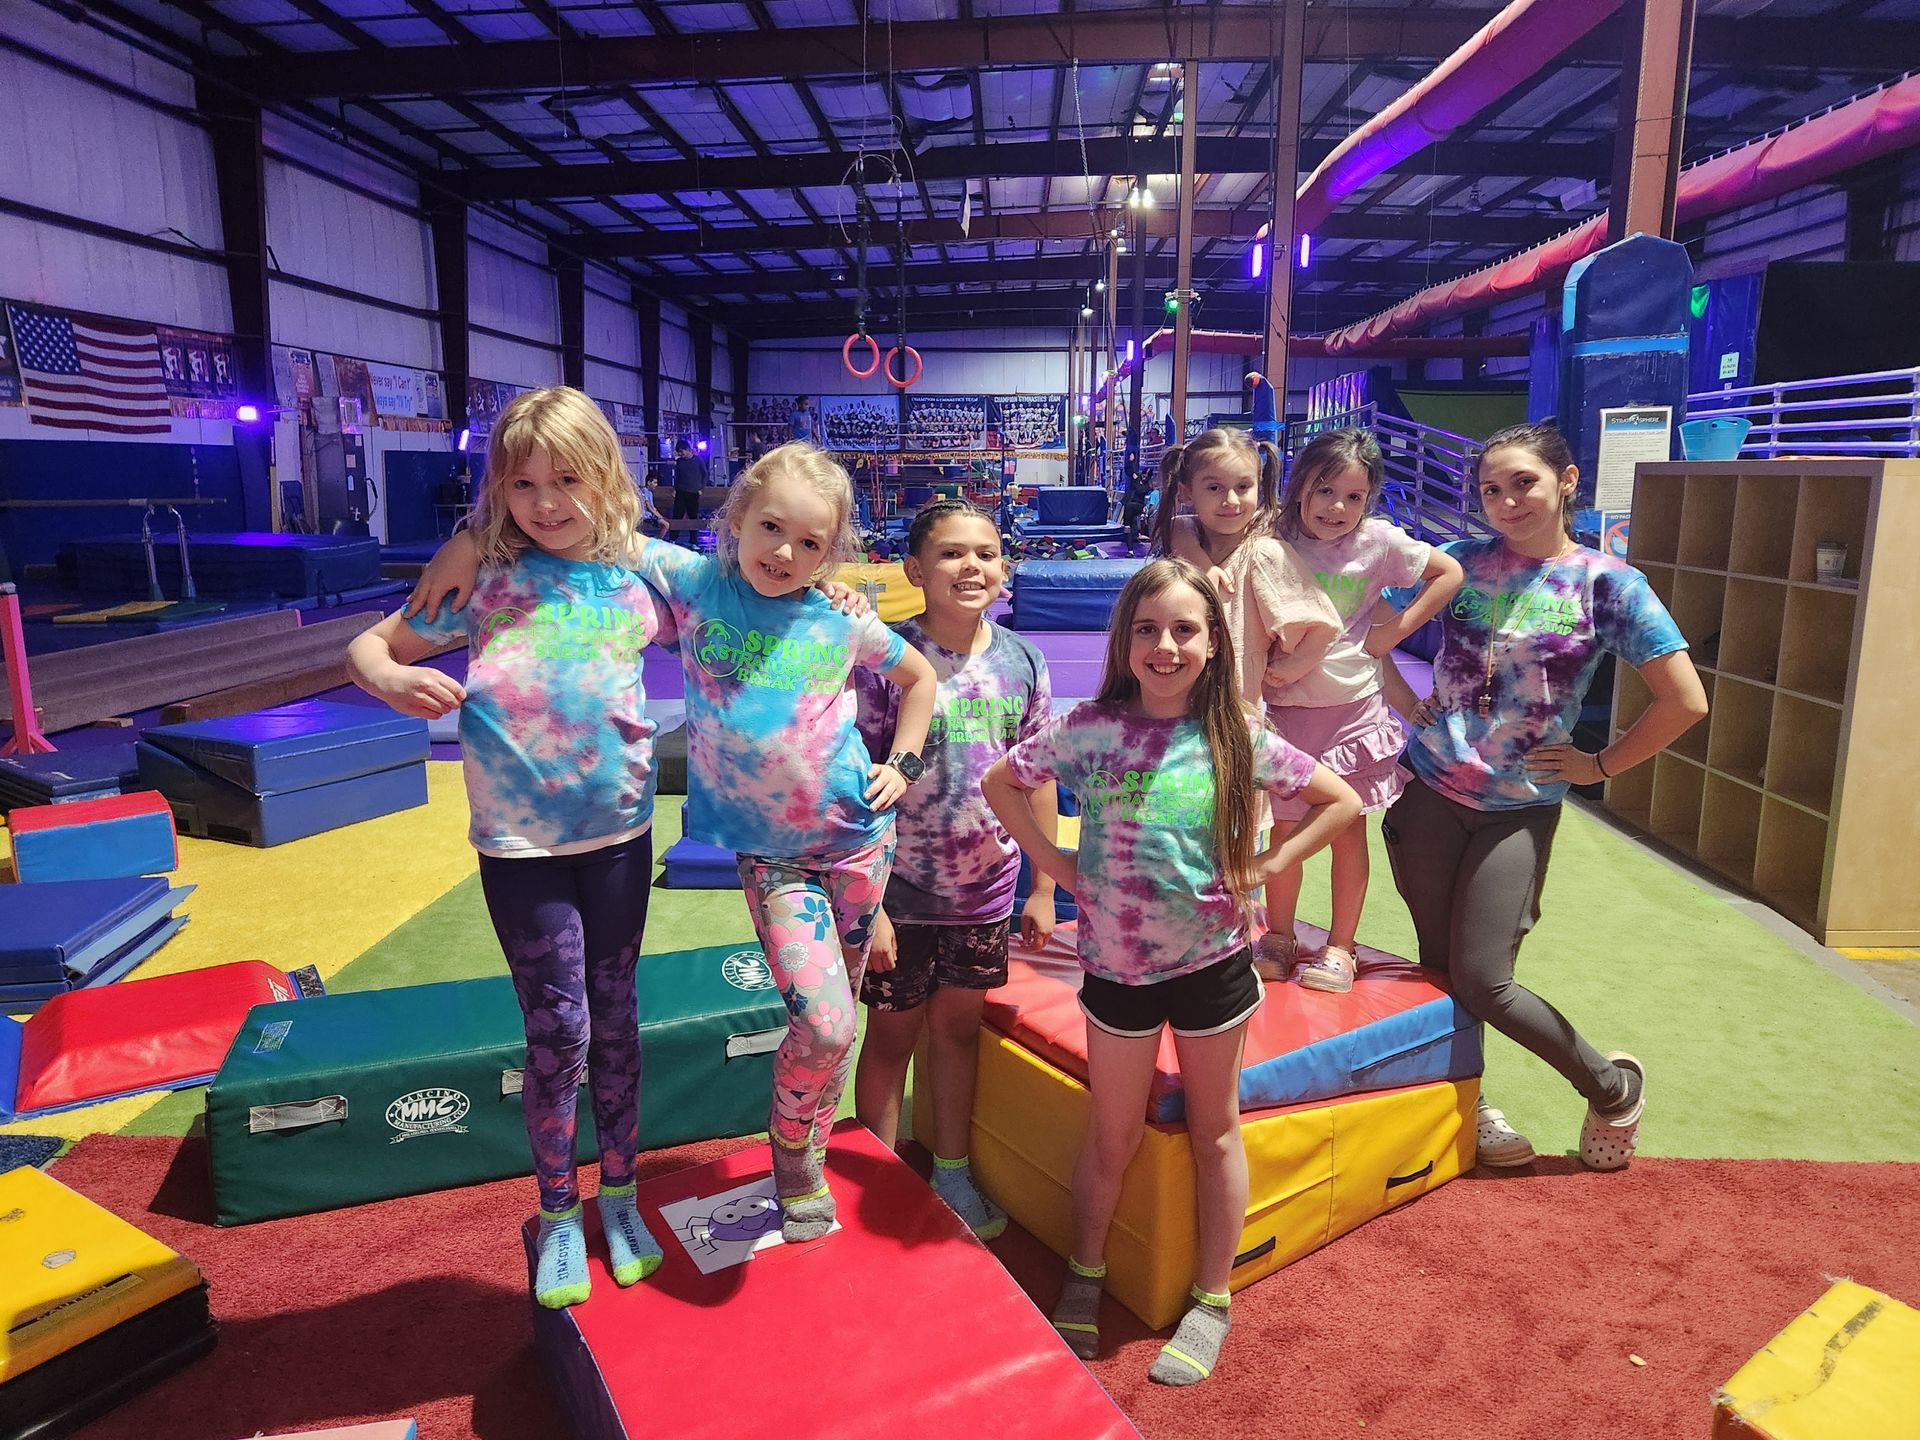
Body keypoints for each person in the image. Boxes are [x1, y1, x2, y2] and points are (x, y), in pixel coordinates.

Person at [413, 442, 938, 1243]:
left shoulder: (839, 617)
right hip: (775, 857)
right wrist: (468, 539)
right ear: (738, 519)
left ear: (832, 552)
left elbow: (918, 679)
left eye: (810, 543)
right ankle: (790, 1149)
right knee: (828, 1021)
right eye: (771, 528)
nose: (784, 554)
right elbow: (594, 524)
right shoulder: (696, 585)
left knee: (836, 1029)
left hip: (860, 842)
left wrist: (903, 762)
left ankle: (809, 1152)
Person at [983, 559, 1361, 1387]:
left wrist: (1271, 862)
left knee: (1214, 1130)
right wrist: (1053, 862)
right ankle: (1085, 1271)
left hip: (1212, 965)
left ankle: (1212, 1297)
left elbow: (1340, 800)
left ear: (1214, 643)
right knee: (1112, 1133)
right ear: (1124, 641)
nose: (1166, 646)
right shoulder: (1090, 728)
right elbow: (1001, 780)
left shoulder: (1236, 734)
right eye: (1148, 629)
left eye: (1185, 629)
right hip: (1118, 969)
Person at [348, 386, 674, 1311]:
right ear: (497, 490)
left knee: (617, 1019)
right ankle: (559, 1211)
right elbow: (369, 646)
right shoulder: (485, 579)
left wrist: (836, 591)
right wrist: (389, 676)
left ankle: (621, 1194)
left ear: (607, 478)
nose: (545, 502)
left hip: (617, 834)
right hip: (520, 844)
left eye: (566, 480)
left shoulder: (643, 574)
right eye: (522, 484)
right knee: (558, 1030)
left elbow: (752, 592)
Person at [1377, 421, 1708, 1172]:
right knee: (1438, 971)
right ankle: (1468, 1107)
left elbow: (1685, 699)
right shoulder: (1457, 564)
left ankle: (1613, 1087)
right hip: (1428, 790)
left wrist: (1600, 764)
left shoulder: (1607, 584)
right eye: (1490, 489)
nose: (1506, 501)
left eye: (1523, 482)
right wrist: (1398, 692)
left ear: (1566, 481)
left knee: (1485, 980)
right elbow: (1363, 613)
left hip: (1517, 809)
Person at [849, 500, 1057, 1238]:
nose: (972, 566)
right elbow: (855, 780)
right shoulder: (886, 661)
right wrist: (869, 904)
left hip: (985, 890)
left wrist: (1043, 885)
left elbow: (1037, 776)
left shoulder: (1023, 662)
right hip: (898, 891)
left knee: (958, 1032)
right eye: (951, 553)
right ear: (914, 570)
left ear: (1005, 567)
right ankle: (879, 1179)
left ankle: (952, 1169)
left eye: (986, 553)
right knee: (892, 1035)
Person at [1242, 428, 1464, 991]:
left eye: (1353, 496)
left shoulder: (1378, 543)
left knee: (1347, 832)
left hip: (1352, 709)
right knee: (1284, 829)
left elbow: (1449, 572)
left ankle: (1341, 946)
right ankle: (1279, 936)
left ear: (1369, 499)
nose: (1337, 507)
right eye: (1324, 490)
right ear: (1300, 486)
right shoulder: (1270, 538)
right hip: (1284, 709)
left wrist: (1395, 630)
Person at [1158, 428, 1342, 970]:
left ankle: (1224, 951)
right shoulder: (1184, 536)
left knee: (1228, 839)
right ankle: (1177, 938)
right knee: (1179, 831)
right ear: (1188, 490)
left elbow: (1321, 623)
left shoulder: (1263, 552)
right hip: (1173, 715)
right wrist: (1198, 558)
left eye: (1244, 486)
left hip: (1230, 719)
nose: (1231, 500)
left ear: (1261, 486)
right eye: (1214, 487)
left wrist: (1289, 668)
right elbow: (1176, 528)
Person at [670, 439, 706, 545]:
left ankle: (693, 541)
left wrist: (701, 488)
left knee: (693, 516)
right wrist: (675, 489)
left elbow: (704, 474)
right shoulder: (679, 461)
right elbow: (677, 476)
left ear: (687, 449)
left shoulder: (698, 460)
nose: (680, 454)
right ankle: (673, 539)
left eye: (681, 451)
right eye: (679, 452)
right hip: (680, 491)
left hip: (693, 492)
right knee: (677, 515)